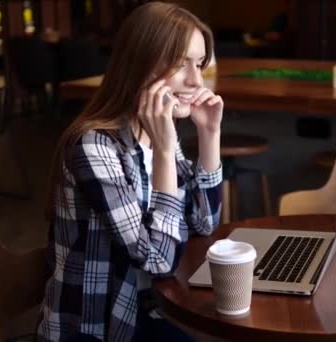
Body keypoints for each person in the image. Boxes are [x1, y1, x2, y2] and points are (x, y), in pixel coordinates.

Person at [37, 2, 223, 342]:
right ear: (140, 62)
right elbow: (158, 261)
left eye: (198, 64)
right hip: (95, 330)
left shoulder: (155, 129)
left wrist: (210, 134)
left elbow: (204, 224)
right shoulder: (94, 146)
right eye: (180, 63)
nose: (196, 80)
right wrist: (165, 151)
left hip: (142, 309)